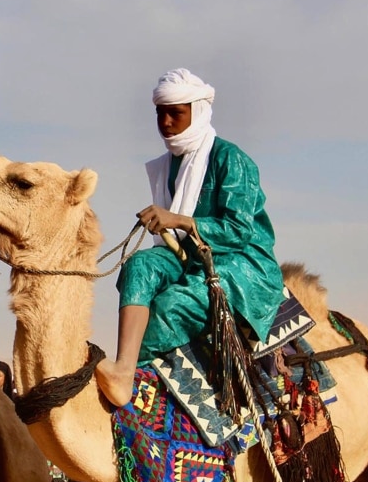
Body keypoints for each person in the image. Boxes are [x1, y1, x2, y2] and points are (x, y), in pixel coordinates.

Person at [94, 68, 285, 407]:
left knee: (171, 306)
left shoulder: (231, 159)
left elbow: (239, 230)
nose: (165, 122)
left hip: (241, 265)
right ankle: (124, 368)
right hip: (190, 255)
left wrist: (180, 220)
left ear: (196, 112)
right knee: (138, 265)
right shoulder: (169, 165)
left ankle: (141, 386)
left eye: (175, 113)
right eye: (160, 113)